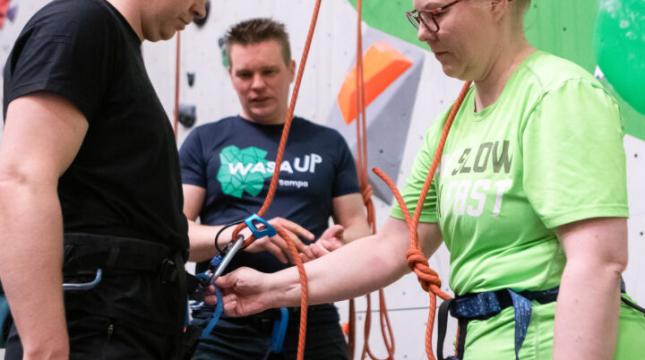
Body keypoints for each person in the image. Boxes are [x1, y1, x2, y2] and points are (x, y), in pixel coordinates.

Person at [212, 1, 645, 359]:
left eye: (436, 13)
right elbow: (391, 248)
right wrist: (270, 289)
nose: (424, 32)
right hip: (489, 341)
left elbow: (597, 263)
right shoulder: (451, 124)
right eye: (417, 17)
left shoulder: (559, 95)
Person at [0, 0, 206, 359]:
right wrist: (45, 350)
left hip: (128, 323)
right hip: (94, 328)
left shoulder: (112, 41)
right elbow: (21, 179)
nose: (201, 10)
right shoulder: (81, 23)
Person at [179, 18, 370, 360]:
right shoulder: (203, 142)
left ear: (292, 69)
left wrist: (336, 246)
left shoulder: (328, 144)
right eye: (244, 74)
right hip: (223, 322)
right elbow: (176, 235)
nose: (257, 85)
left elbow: (359, 230)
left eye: (268, 72)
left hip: (310, 318)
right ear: (231, 75)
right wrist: (239, 234)